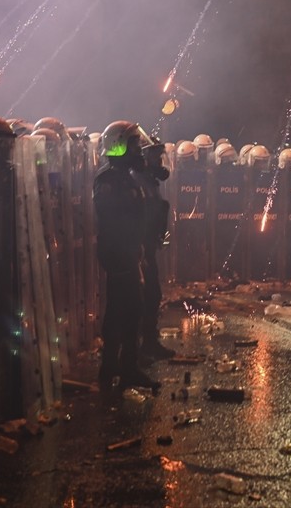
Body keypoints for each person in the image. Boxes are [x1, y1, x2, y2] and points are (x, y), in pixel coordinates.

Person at [93, 121, 160, 392]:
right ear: (119, 145)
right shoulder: (108, 179)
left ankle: (121, 367)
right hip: (119, 255)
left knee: (131, 310)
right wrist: (128, 250)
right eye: (133, 144)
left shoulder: (126, 177)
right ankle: (115, 369)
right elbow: (112, 220)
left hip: (129, 253)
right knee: (124, 311)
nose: (138, 151)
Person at [135, 134, 176, 363]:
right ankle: (140, 348)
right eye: (154, 155)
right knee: (142, 297)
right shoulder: (138, 179)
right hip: (139, 249)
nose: (159, 161)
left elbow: (160, 214)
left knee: (152, 294)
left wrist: (163, 241)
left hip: (149, 246)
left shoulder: (149, 181)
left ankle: (149, 343)